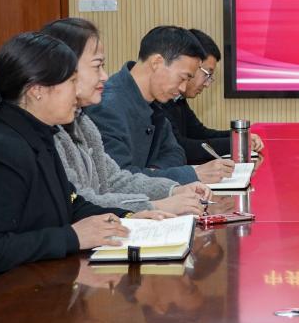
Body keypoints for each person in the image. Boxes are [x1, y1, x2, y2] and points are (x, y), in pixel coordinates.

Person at [0, 32, 156, 323]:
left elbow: (70, 202)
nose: (77, 93)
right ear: (37, 90)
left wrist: (128, 217)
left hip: (9, 299)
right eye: (71, 82)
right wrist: (73, 237)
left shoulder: (38, 134)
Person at [40, 18, 210, 215]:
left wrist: (173, 189)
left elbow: (114, 179)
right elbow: (78, 202)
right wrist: (156, 205)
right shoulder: (56, 127)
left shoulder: (82, 122)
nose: (104, 76)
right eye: (97, 66)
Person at [85, 26, 234, 185]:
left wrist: (154, 174)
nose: (183, 87)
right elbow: (119, 180)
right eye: (183, 78)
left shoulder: (154, 101)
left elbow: (176, 152)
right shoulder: (105, 106)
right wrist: (187, 175)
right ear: (157, 62)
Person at [160, 28, 263, 164]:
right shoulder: (160, 98)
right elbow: (181, 147)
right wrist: (236, 143)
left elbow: (199, 133)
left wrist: (240, 137)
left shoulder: (177, 98)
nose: (207, 84)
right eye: (207, 74)